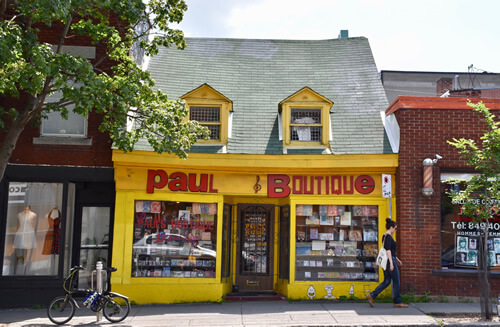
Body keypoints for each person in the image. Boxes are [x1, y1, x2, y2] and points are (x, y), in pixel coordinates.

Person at [366, 218, 408, 308]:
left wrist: (397, 259)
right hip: (389, 261)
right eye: (395, 228)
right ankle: (397, 301)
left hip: (388, 261)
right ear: (391, 227)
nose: (395, 230)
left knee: (387, 281)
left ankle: (372, 295)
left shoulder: (384, 236)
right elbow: (388, 251)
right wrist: (392, 263)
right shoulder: (388, 236)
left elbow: (389, 251)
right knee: (396, 281)